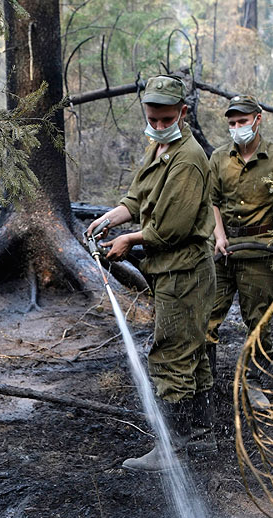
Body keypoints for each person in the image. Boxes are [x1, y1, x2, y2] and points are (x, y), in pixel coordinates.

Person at [87, 74, 216, 472]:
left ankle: (172, 450)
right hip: (171, 272)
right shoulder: (160, 148)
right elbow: (138, 197)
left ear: (183, 112)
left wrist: (128, 240)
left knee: (171, 356)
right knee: (191, 352)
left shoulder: (189, 159)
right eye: (152, 119)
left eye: (165, 119)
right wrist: (114, 216)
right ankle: (202, 436)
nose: (158, 126)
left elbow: (171, 229)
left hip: (184, 272)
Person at [207, 94, 273, 405]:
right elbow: (212, 201)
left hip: (261, 250)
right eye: (232, 123)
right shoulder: (219, 157)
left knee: (257, 319)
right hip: (223, 250)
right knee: (207, 316)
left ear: (257, 120)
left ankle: (254, 379)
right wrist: (218, 235)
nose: (237, 128)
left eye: (243, 122)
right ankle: (204, 383)